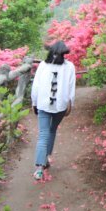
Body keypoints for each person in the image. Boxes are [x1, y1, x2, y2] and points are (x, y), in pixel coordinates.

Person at [30, 40, 76, 180]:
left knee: (43, 134)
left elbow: (36, 86)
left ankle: (39, 168)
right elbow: (71, 89)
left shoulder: (43, 65)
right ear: (64, 54)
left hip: (43, 104)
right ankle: (45, 159)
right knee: (52, 130)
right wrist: (70, 105)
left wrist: (34, 102)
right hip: (60, 106)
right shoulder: (69, 67)